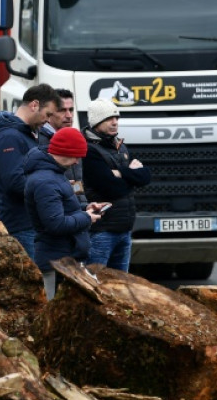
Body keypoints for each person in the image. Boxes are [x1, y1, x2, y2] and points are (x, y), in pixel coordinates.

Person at [24, 127, 104, 299]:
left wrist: (86, 209)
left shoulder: (55, 175)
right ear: (64, 152)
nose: (76, 162)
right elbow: (56, 224)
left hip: (65, 261)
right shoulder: (45, 181)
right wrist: (86, 217)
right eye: (76, 156)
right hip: (56, 263)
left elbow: (63, 211)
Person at [0, 83, 61, 259]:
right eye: (48, 114)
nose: (49, 120)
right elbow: (14, 182)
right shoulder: (9, 137)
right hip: (20, 225)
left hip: (31, 223)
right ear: (34, 105)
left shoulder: (27, 135)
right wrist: (49, 186)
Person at [82, 98, 151, 272]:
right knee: (96, 285)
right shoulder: (89, 150)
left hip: (124, 230)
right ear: (96, 122)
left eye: (117, 118)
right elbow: (112, 188)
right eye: (108, 119)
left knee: (120, 290)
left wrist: (120, 173)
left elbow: (145, 177)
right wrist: (131, 175)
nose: (115, 122)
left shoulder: (120, 147)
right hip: (102, 232)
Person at [38, 88, 86, 205]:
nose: (69, 115)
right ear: (49, 113)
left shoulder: (74, 139)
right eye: (62, 110)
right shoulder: (39, 142)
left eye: (71, 109)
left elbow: (77, 183)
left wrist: (84, 206)